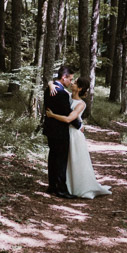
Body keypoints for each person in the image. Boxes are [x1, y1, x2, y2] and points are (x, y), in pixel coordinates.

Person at [44, 78, 112, 199]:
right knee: (65, 161)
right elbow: (52, 82)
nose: (72, 83)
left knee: (75, 161)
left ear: (80, 88)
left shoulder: (81, 104)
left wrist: (52, 115)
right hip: (64, 133)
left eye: (75, 83)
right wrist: (50, 85)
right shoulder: (67, 96)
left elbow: (69, 119)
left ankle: (78, 186)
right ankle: (63, 185)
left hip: (74, 135)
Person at [42, 66, 80, 199]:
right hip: (60, 131)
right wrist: (79, 125)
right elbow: (67, 113)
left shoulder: (50, 89)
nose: (71, 82)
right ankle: (61, 189)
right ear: (63, 78)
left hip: (50, 129)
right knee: (61, 160)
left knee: (52, 157)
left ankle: (52, 186)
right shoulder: (62, 93)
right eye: (70, 79)